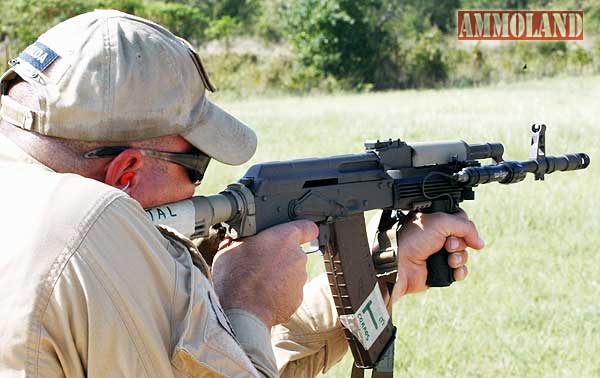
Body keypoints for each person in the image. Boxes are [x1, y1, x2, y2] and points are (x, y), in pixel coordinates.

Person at [0, 10, 484, 378]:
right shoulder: (92, 225)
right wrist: (246, 302)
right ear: (126, 171)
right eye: (196, 164)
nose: (200, 188)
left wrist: (380, 273)